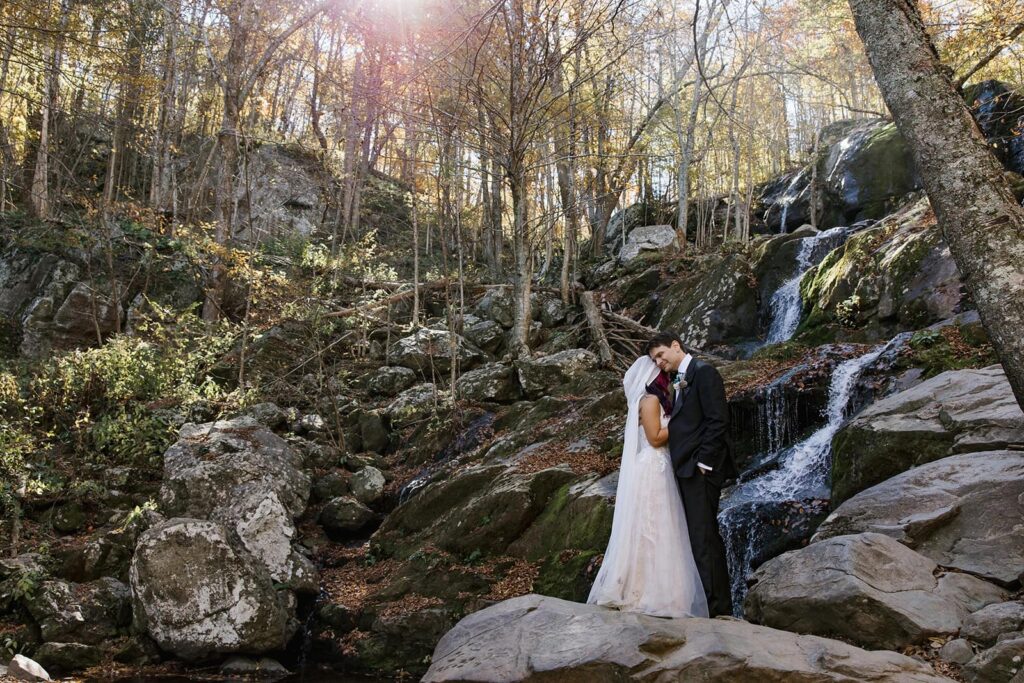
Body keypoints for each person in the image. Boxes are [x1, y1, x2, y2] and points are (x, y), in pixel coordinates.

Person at [586, 355, 708, 619]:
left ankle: (665, 592)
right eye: (661, 372)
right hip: (654, 468)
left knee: (665, 528)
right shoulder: (650, 400)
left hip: (661, 467)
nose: (667, 374)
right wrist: (684, 422)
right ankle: (646, 592)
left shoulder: (659, 399)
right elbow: (654, 438)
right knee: (654, 528)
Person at [647, 331, 738, 617]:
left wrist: (704, 464)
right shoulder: (677, 380)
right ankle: (711, 604)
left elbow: (717, 420)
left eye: (660, 355)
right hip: (685, 470)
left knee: (705, 539)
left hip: (701, 471)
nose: (659, 362)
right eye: (654, 360)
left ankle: (719, 608)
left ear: (676, 346)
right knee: (699, 539)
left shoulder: (704, 372)